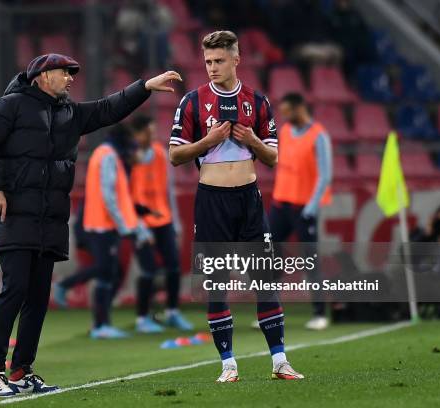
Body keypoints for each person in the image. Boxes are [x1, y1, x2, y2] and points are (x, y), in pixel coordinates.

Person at [0, 52, 181, 397]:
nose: (70, 78)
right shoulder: (8, 107)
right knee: (15, 289)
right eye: (63, 73)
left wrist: (144, 87)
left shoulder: (69, 113)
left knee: (38, 297)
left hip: (50, 220)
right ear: (40, 76)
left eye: (71, 73)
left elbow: (108, 108)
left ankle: (21, 370)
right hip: (15, 215)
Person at [168, 31, 303, 382]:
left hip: (248, 198)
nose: (212, 68)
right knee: (216, 284)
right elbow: (175, 155)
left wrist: (253, 140)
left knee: (265, 280)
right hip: (211, 201)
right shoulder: (193, 102)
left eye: (219, 60)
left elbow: (273, 157)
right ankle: (228, 365)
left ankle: (279, 360)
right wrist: (207, 141)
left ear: (236, 59)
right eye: (208, 61)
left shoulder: (257, 102)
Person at [81, 124, 154, 338]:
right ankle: (101, 325)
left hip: (101, 222)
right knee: (106, 274)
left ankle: (101, 324)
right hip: (103, 224)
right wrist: (122, 225)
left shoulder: (104, 153)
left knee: (109, 273)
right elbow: (109, 194)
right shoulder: (109, 156)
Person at [272, 92, 333, 331]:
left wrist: (312, 206)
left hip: (303, 208)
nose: (284, 116)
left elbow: (325, 175)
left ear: (299, 109)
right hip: (281, 203)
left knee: (310, 260)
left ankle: (319, 313)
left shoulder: (319, 136)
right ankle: (270, 311)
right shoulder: (285, 132)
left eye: (287, 111)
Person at [129, 114, 193, 333]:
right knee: (147, 271)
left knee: (173, 267)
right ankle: (142, 318)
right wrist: (136, 225)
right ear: (136, 134)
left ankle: (173, 312)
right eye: (147, 132)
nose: (152, 136)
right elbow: (125, 194)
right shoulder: (128, 158)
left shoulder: (158, 153)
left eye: (153, 131)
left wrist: (175, 221)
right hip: (140, 222)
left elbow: (168, 189)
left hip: (163, 219)